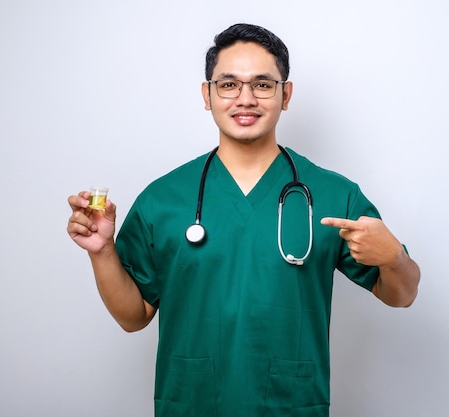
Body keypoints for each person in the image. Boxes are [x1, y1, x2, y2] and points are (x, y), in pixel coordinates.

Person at [67, 23, 420, 417]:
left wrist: (394, 259)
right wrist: (101, 252)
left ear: (286, 95)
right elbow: (133, 318)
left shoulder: (334, 196)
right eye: (229, 84)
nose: (245, 99)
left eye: (263, 85)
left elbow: (401, 295)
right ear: (208, 94)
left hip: (290, 406)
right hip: (193, 404)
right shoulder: (163, 199)